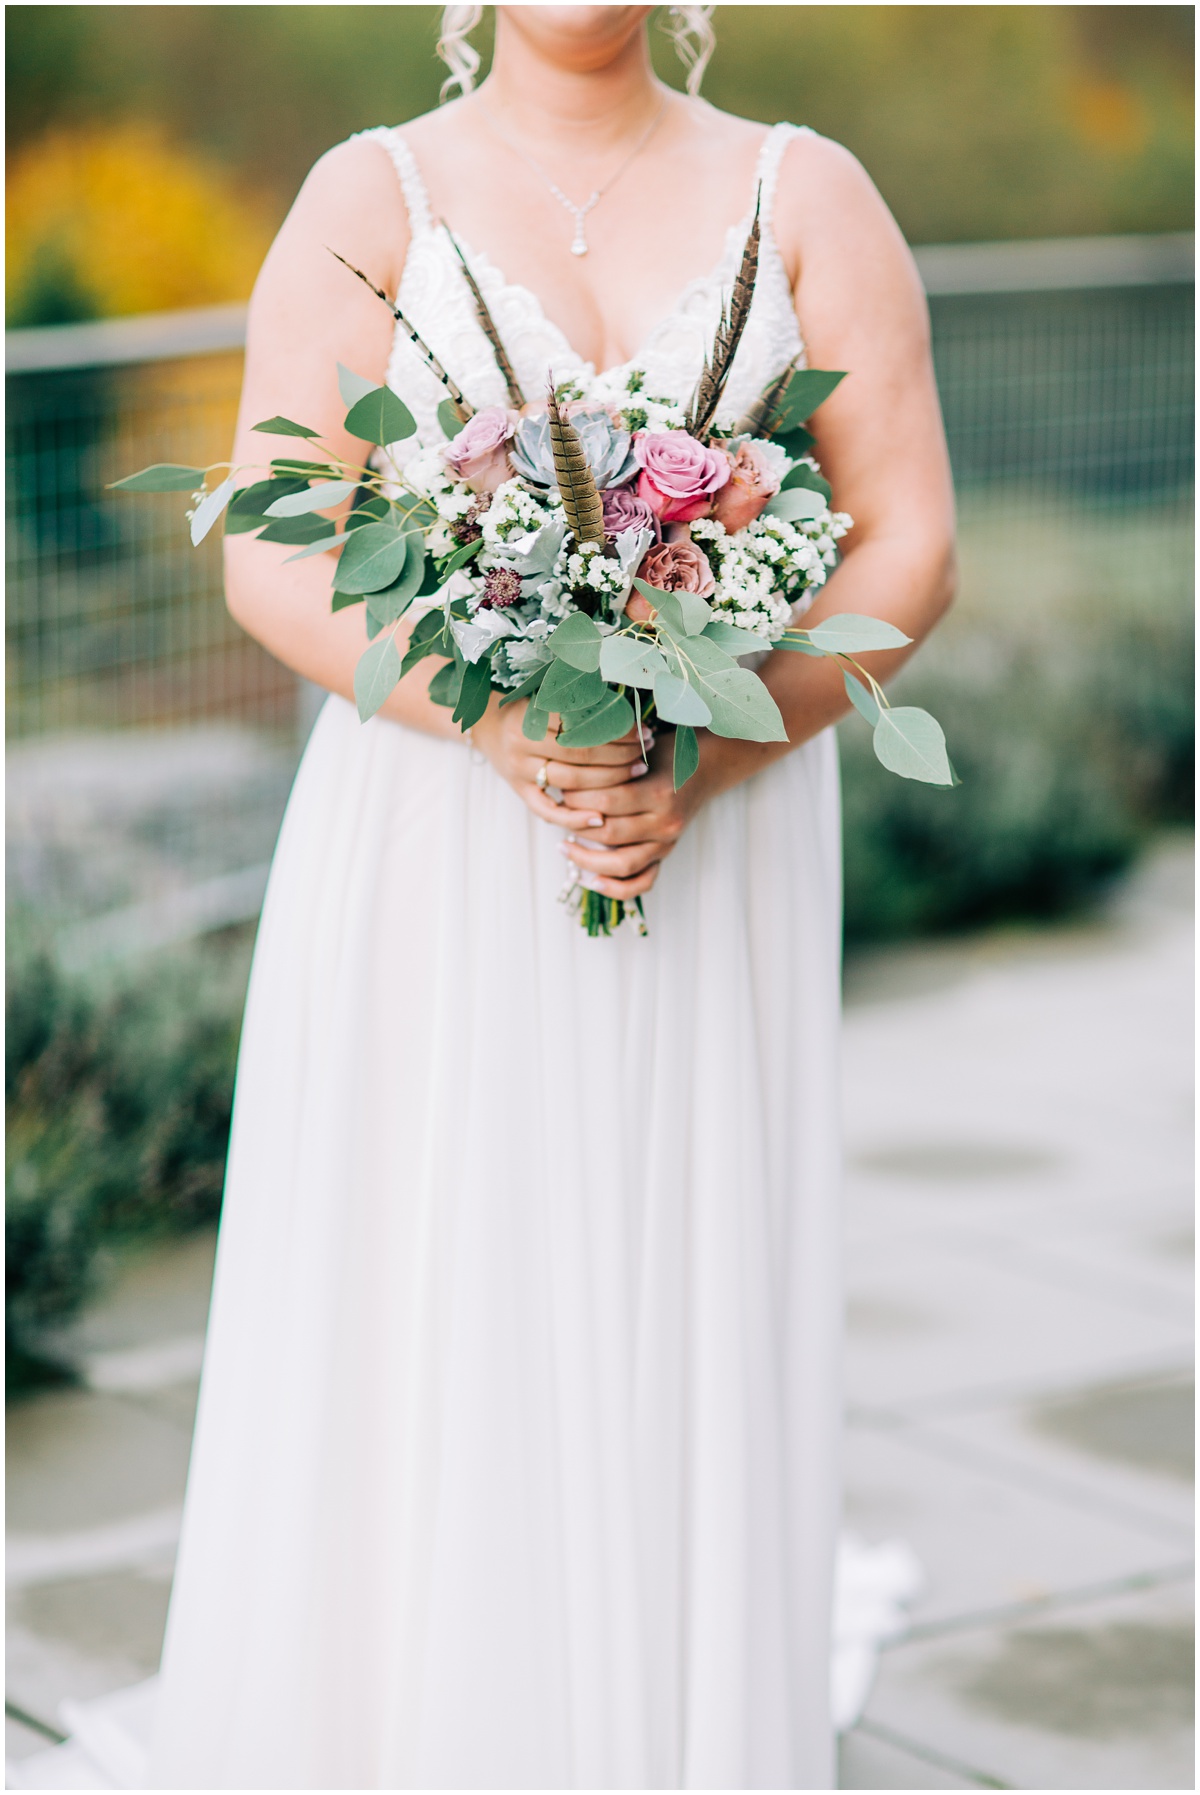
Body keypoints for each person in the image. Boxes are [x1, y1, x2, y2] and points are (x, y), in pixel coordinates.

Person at [148, 6, 955, 1787]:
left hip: (712, 844)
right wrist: (507, 726)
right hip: (433, 842)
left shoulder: (806, 194)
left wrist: (713, 754)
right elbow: (280, 538)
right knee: (430, 1306)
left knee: (679, 1299)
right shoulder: (366, 194)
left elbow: (907, 540)